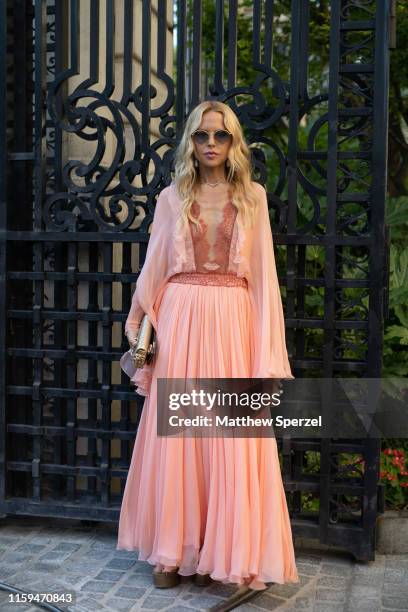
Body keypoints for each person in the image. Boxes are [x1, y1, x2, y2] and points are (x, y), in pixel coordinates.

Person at [116, 100, 299, 609]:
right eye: (202, 136)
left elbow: (264, 279)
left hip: (234, 322)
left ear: (234, 142)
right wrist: (139, 327)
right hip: (182, 321)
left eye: (220, 135)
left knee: (229, 437)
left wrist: (267, 354)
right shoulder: (171, 198)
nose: (211, 144)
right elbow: (155, 267)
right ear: (190, 144)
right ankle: (171, 553)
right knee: (178, 436)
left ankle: (231, 551)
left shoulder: (255, 198)